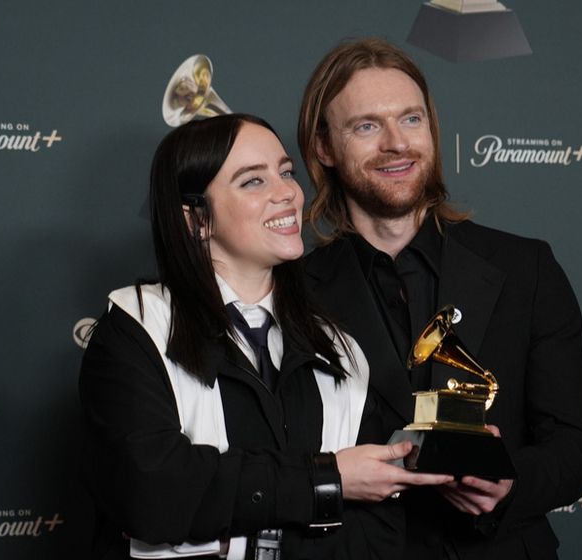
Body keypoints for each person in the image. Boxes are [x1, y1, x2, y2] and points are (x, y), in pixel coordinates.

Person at [79, 114, 451, 560]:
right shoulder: (137, 326)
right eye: (253, 181)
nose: (288, 193)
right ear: (196, 219)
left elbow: (376, 527)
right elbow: (155, 492)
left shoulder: (339, 345)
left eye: (286, 172)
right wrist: (327, 481)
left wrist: (237, 533)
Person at [297, 39, 582, 560]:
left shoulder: (525, 268)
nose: (397, 143)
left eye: (411, 120)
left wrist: (509, 483)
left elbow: (576, 449)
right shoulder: (291, 292)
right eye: (367, 126)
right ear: (324, 147)